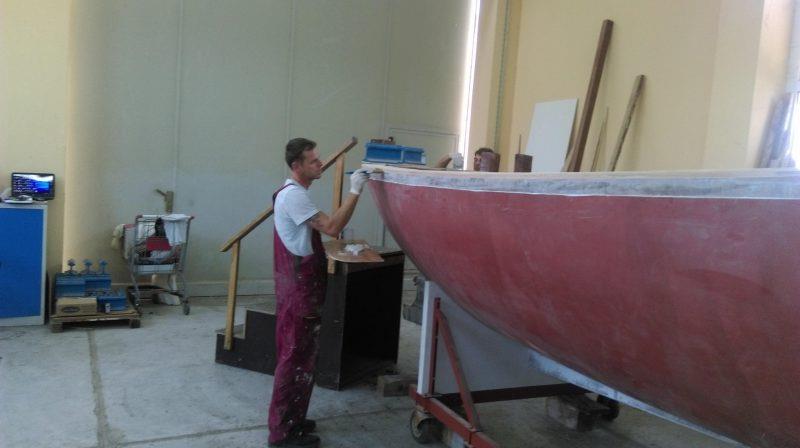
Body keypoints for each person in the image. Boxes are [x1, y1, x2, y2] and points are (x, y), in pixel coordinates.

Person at [268, 138, 369, 448]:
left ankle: (294, 419)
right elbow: (331, 227)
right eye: (313, 161)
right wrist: (355, 190)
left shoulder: (296, 195)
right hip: (300, 291)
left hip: (299, 287)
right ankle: (282, 434)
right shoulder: (294, 197)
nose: (320, 163)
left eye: (319, 158)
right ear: (297, 166)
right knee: (293, 359)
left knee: (303, 358)